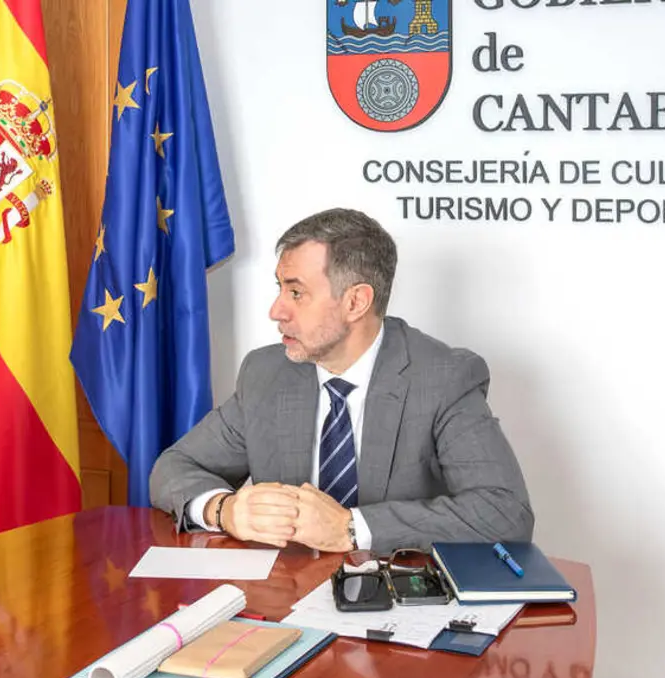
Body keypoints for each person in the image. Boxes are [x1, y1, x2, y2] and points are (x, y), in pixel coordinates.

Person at [150, 208, 533, 553]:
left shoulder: (442, 378)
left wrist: (351, 528)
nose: (275, 310)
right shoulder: (267, 373)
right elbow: (174, 466)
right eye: (279, 288)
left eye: (296, 292)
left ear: (356, 302)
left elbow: (505, 511)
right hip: (286, 597)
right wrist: (224, 509)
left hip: (396, 603)